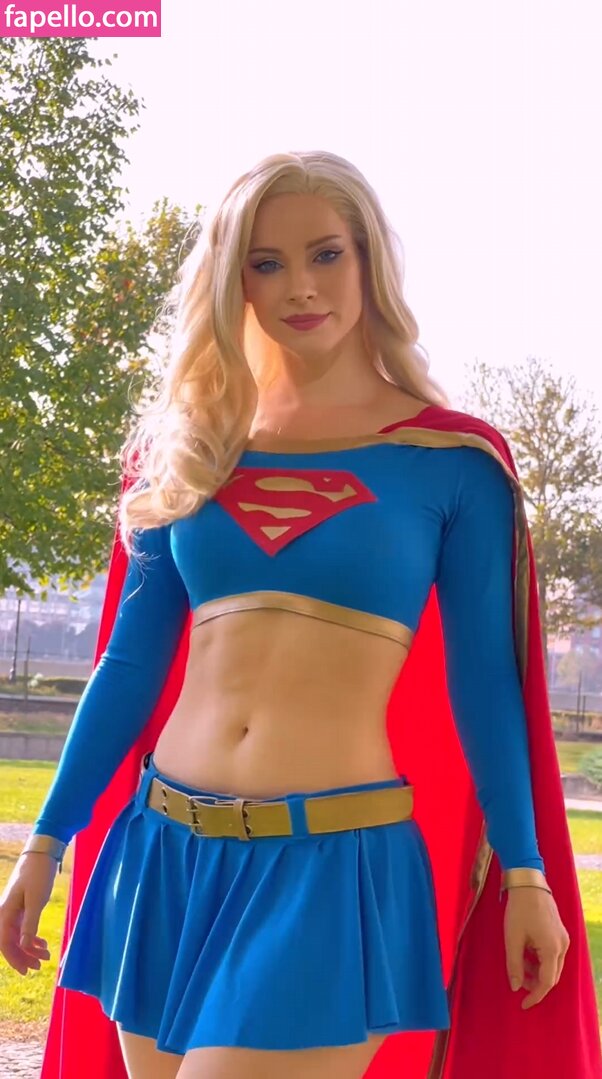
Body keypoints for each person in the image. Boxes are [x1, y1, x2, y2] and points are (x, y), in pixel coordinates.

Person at [0, 150, 599, 1079]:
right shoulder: (190, 451)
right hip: (164, 851)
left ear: (368, 261)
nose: (300, 286)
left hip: (332, 863)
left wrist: (526, 872)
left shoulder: (452, 463)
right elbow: (128, 664)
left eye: (325, 254)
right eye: (267, 262)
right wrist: (46, 840)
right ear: (234, 280)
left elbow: (487, 685)